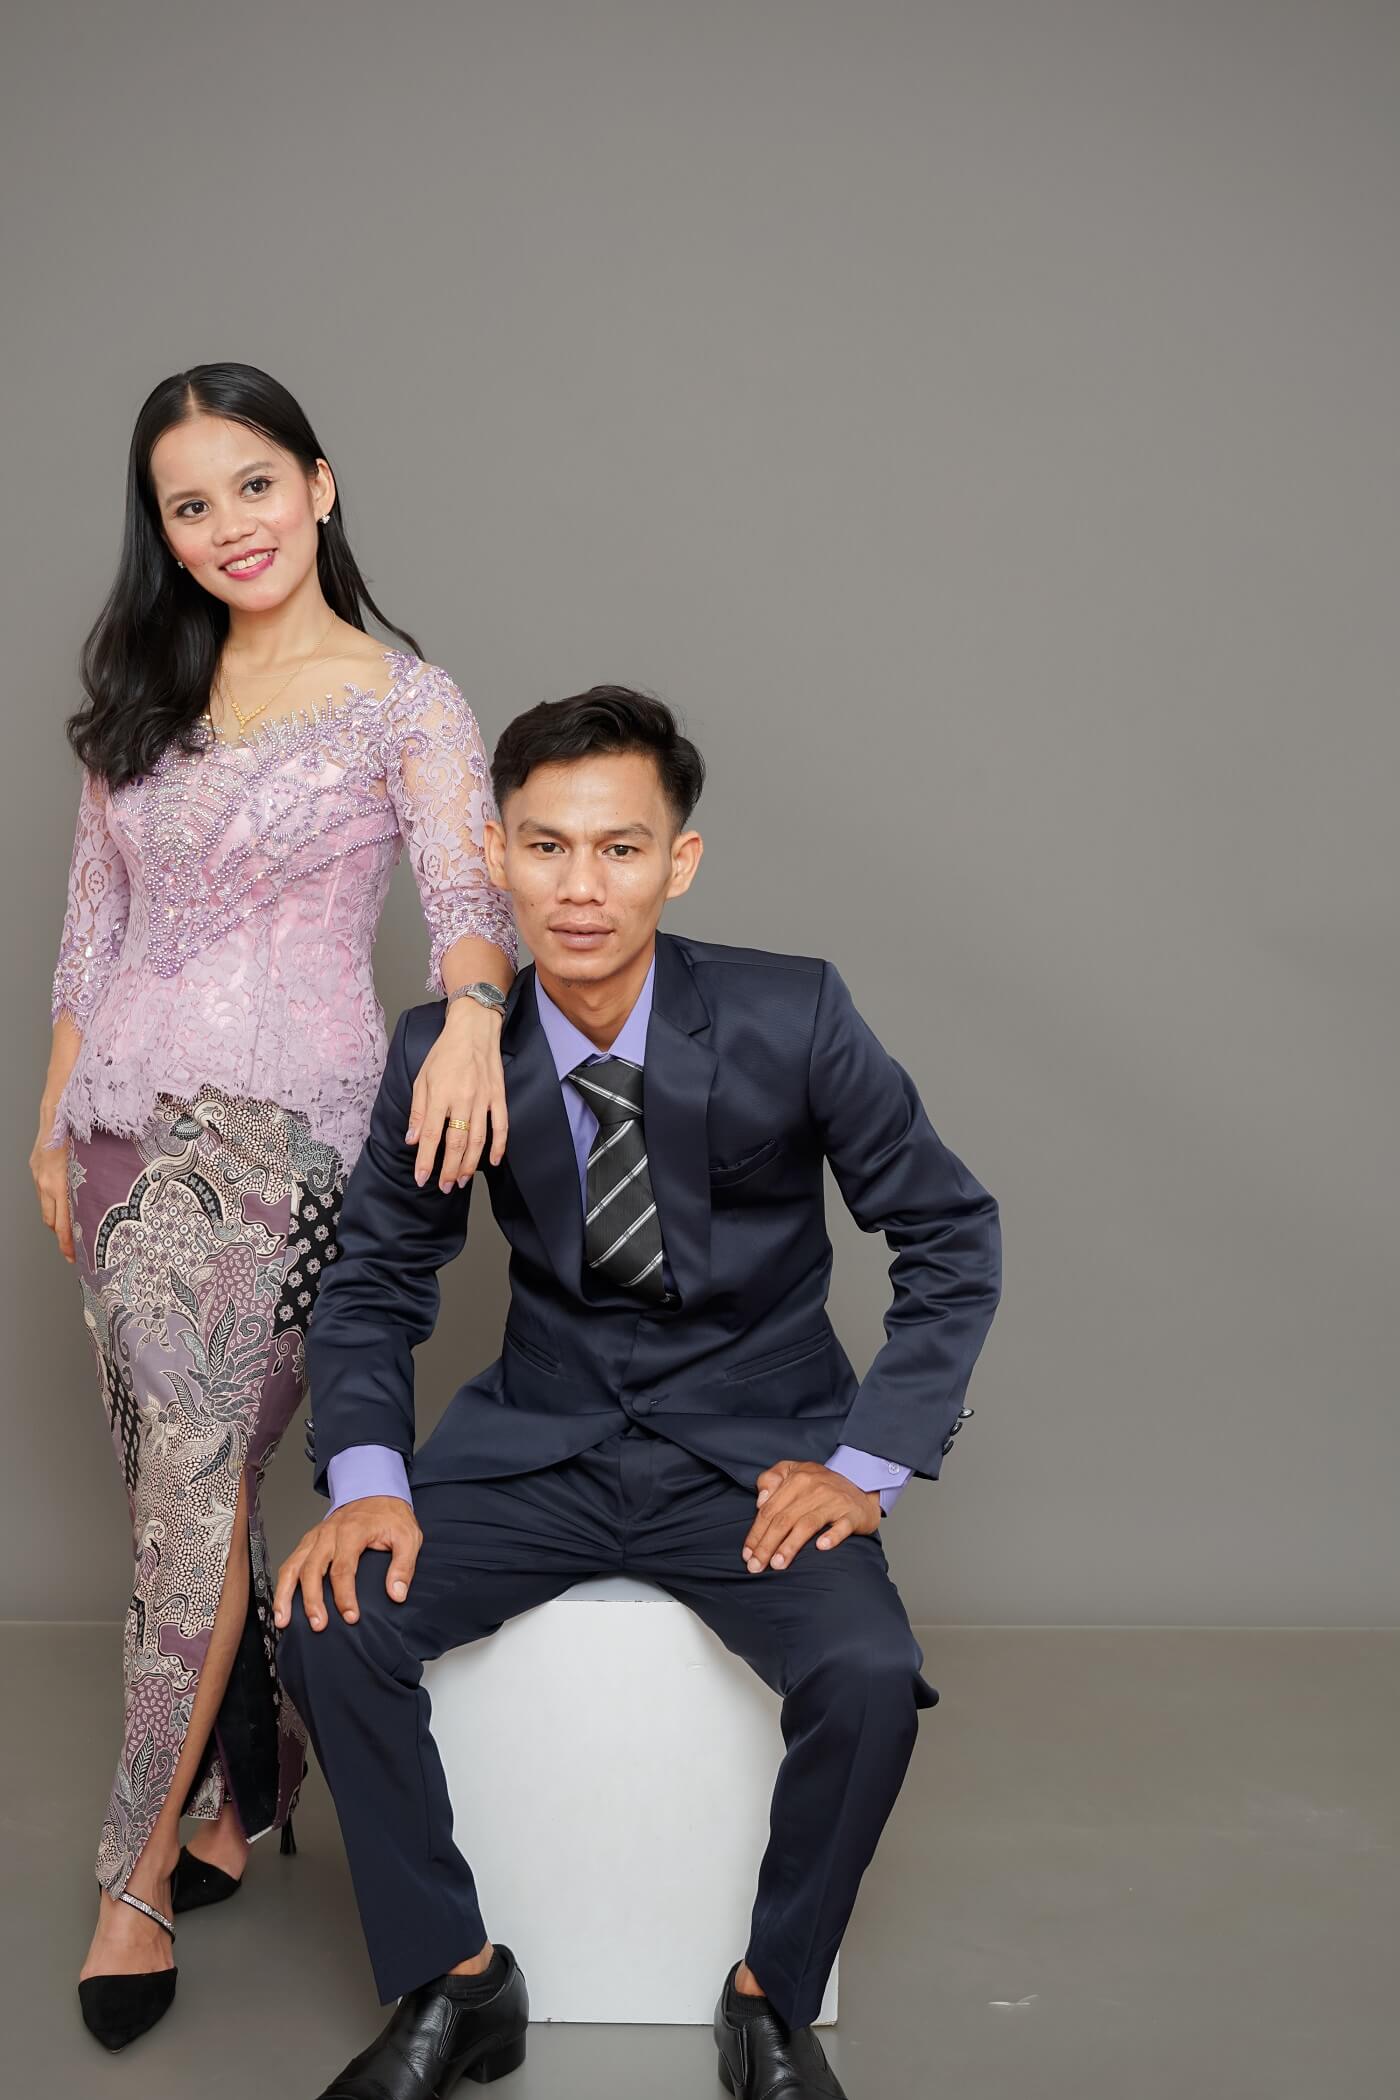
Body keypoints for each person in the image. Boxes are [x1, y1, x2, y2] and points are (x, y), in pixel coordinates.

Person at [275, 688, 1001, 2100]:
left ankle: (770, 1996)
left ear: (681, 861)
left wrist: (867, 1467)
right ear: (497, 855)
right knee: (331, 1619)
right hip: (541, 1442)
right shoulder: (447, 1051)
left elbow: (950, 1234)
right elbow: (373, 1280)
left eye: (620, 849)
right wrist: (366, 1480)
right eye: (546, 847)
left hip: (757, 1454)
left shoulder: (794, 1014)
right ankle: (456, 1979)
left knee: (866, 1676)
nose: (581, 888)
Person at [32, 362, 518, 2052]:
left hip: (283, 1146)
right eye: (190, 504)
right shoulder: (142, 698)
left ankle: (132, 1874)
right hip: (114, 1136)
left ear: (319, 483)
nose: (228, 525)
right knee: (190, 1492)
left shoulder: (406, 702)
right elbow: (90, 929)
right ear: (162, 533)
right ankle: (250, 1781)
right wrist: (48, 1121)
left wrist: (475, 1018)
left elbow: (467, 898)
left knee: (186, 1504)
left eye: (254, 484)